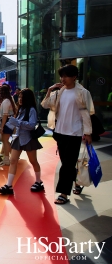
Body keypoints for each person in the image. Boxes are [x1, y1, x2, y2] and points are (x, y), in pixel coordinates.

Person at [41, 64, 94, 205]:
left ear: (74, 77)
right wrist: (49, 90)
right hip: (60, 132)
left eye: (65, 76)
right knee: (67, 163)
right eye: (61, 76)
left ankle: (63, 194)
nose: (62, 79)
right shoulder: (59, 92)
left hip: (75, 133)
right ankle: (77, 182)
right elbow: (45, 105)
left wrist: (88, 133)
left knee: (67, 164)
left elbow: (87, 116)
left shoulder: (83, 93)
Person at [0, 89, 43, 194]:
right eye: (19, 97)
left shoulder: (31, 110)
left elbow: (32, 125)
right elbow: (16, 123)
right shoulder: (20, 109)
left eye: (22, 97)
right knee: (13, 161)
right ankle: (9, 185)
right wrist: (6, 126)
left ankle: (38, 181)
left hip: (28, 139)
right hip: (18, 138)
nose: (20, 99)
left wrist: (17, 122)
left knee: (33, 161)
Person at [0, 85, 17, 165]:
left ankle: (7, 158)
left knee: (5, 140)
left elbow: (5, 115)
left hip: (6, 122)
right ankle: (12, 155)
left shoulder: (5, 101)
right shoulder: (10, 100)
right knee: (4, 139)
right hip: (9, 121)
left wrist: (2, 127)